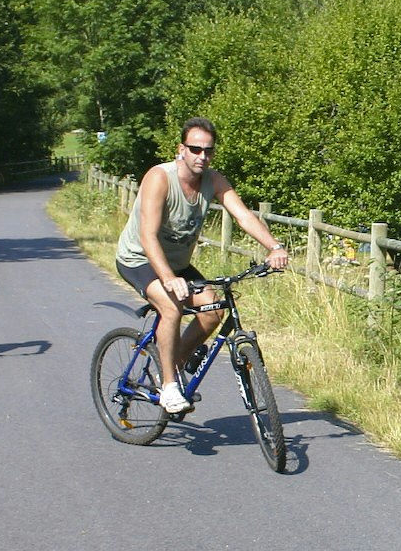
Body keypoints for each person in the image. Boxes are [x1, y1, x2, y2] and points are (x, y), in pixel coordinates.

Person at [115, 118, 289, 415]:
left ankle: (171, 365)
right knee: (172, 307)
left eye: (208, 151)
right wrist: (168, 278)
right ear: (180, 149)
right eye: (195, 149)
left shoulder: (213, 180)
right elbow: (147, 235)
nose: (202, 156)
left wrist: (273, 246)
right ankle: (169, 386)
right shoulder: (160, 178)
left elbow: (243, 216)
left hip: (178, 264)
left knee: (214, 310)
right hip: (140, 258)